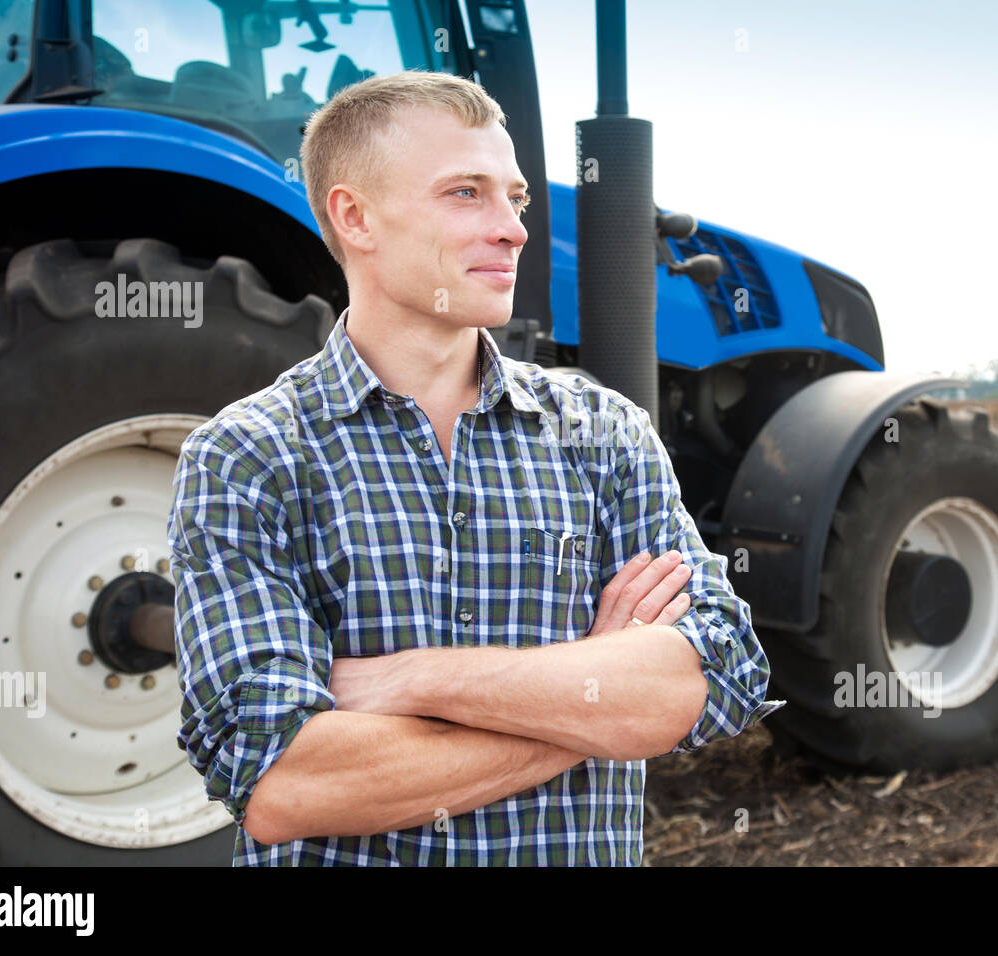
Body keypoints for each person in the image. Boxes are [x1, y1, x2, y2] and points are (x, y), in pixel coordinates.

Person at [167, 69, 784, 866]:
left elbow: (714, 676)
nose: (514, 229)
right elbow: (285, 784)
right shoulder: (248, 459)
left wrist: (415, 679)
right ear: (354, 216)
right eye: (466, 193)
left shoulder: (604, 436)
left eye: (516, 198)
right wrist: (593, 704)